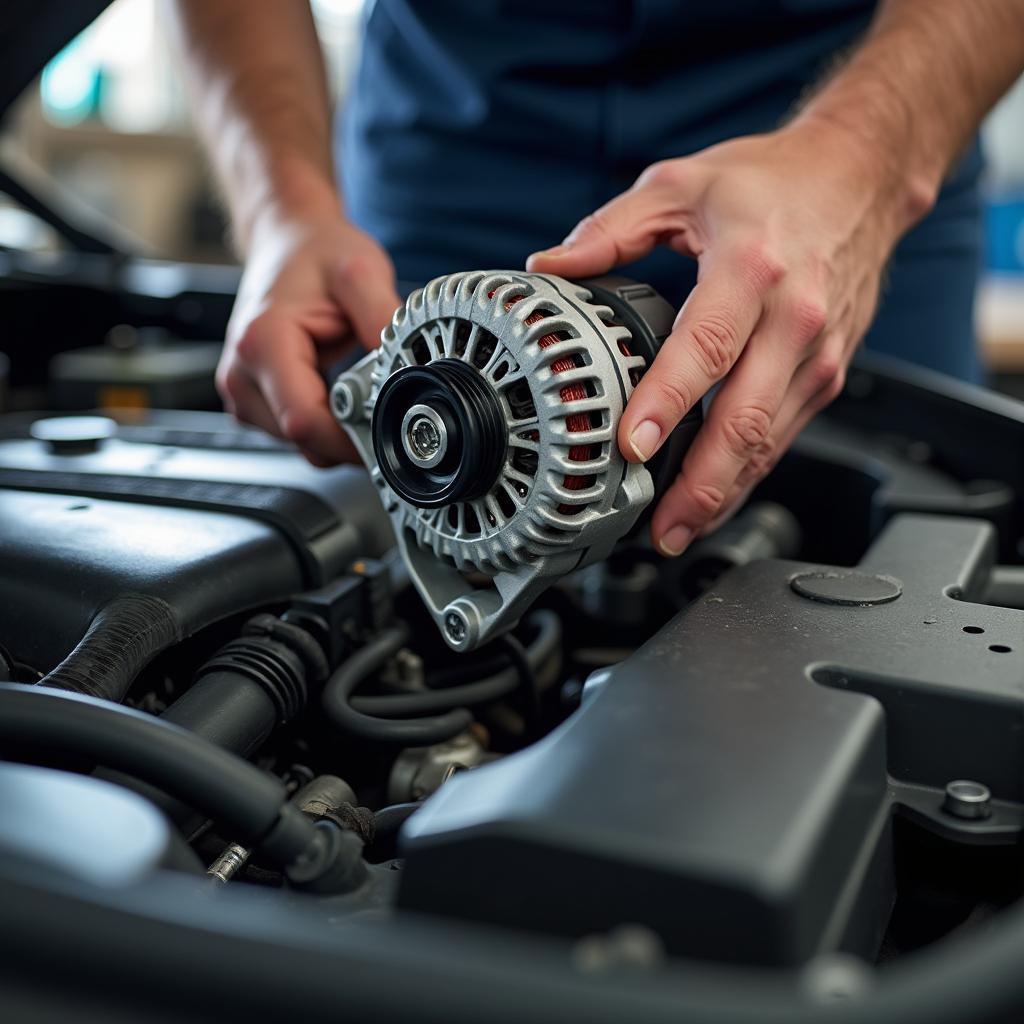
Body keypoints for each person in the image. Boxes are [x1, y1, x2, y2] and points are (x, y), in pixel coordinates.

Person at [168, 0, 1024, 557]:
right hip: (455, 143)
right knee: (404, 527)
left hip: (838, 141)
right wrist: (284, 204)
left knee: (892, 559)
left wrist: (866, 163)